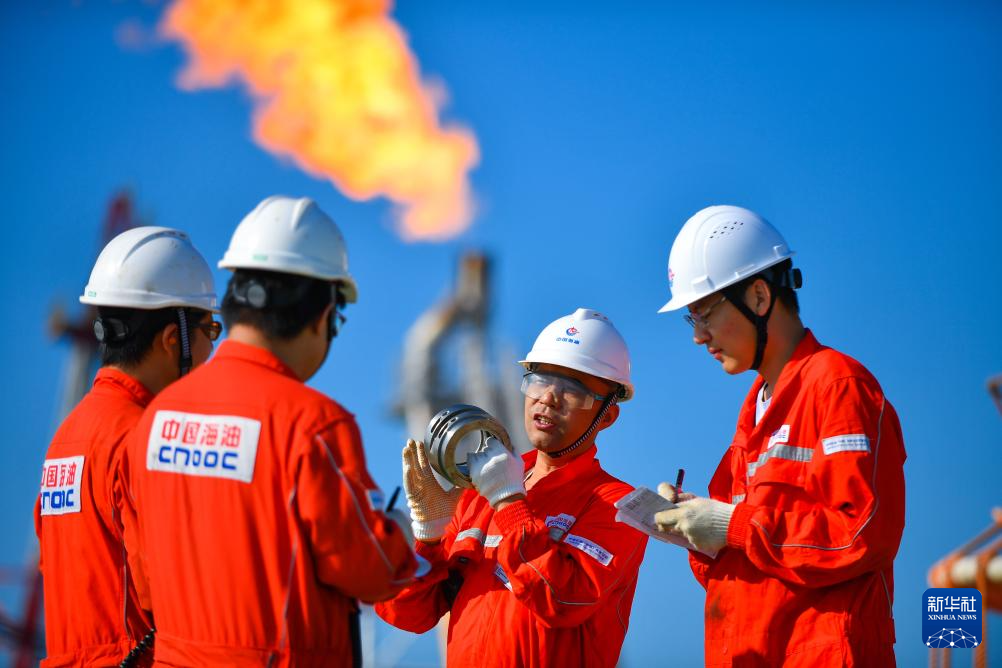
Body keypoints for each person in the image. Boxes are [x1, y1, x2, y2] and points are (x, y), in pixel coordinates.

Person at [121, 196, 417, 666]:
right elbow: (371, 572)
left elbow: (145, 581)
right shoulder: (315, 425)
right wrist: (401, 529)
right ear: (324, 315)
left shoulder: (155, 418)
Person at [653, 205, 906, 667]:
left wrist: (731, 525)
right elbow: (746, 562)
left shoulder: (838, 387)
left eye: (704, 313)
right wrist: (694, 528)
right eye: (691, 319)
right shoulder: (753, 419)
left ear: (759, 297)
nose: (698, 336)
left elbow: (859, 534)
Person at [376, 308, 648, 667]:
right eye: (540, 380)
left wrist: (508, 502)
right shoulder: (478, 496)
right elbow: (408, 613)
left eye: (573, 389)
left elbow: (562, 598)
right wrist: (428, 536)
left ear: (607, 415)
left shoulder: (617, 506)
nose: (548, 398)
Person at [35, 227, 219, 667]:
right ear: (173, 340)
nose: (214, 347)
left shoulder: (67, 438)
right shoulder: (142, 439)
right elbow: (168, 590)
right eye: (210, 329)